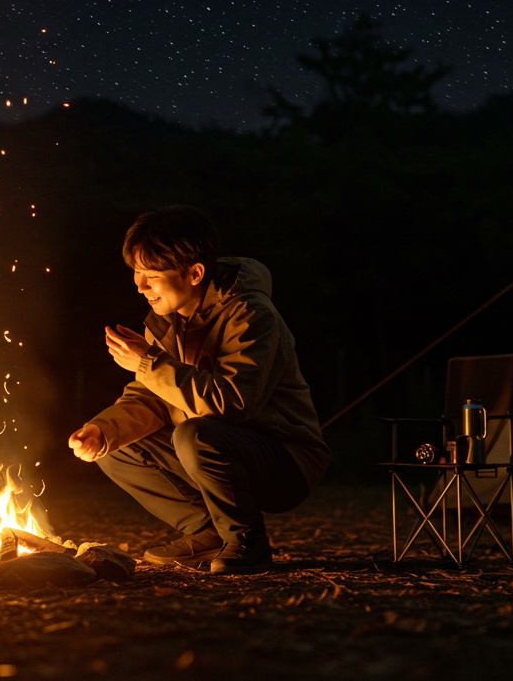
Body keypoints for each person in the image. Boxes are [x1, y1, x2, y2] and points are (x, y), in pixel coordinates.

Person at [68, 206, 330, 574]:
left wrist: (147, 363)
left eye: (151, 275)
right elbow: (154, 397)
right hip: (210, 446)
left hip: (284, 457)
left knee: (196, 434)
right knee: (114, 445)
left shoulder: (251, 314)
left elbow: (233, 403)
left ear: (194, 273)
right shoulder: (165, 323)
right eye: (137, 273)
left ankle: (246, 542)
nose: (139, 285)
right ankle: (208, 533)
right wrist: (101, 431)